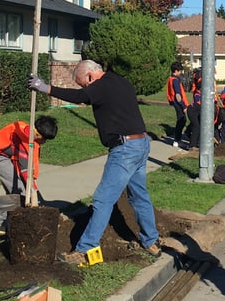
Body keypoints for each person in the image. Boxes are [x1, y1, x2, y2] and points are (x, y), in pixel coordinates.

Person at [27, 61, 160, 264]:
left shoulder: (102, 85)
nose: (84, 88)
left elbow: (80, 98)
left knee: (102, 199)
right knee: (139, 195)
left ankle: (85, 249)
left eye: (83, 83)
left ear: (90, 76)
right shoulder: (120, 81)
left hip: (125, 150)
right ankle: (150, 241)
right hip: (141, 143)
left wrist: (45, 88)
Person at [0, 115, 59, 238]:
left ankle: (13, 221)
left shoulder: (29, 134)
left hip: (8, 157)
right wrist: (33, 191)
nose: (44, 142)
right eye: (45, 139)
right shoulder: (25, 141)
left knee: (18, 189)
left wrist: (34, 190)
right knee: (19, 190)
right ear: (38, 135)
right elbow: (25, 171)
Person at [166, 62, 189, 149]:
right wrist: (184, 106)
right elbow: (178, 95)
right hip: (178, 103)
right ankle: (177, 140)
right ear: (176, 71)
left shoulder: (171, 79)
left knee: (182, 120)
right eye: (180, 71)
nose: (181, 73)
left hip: (175, 102)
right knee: (181, 121)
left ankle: (177, 139)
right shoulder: (175, 80)